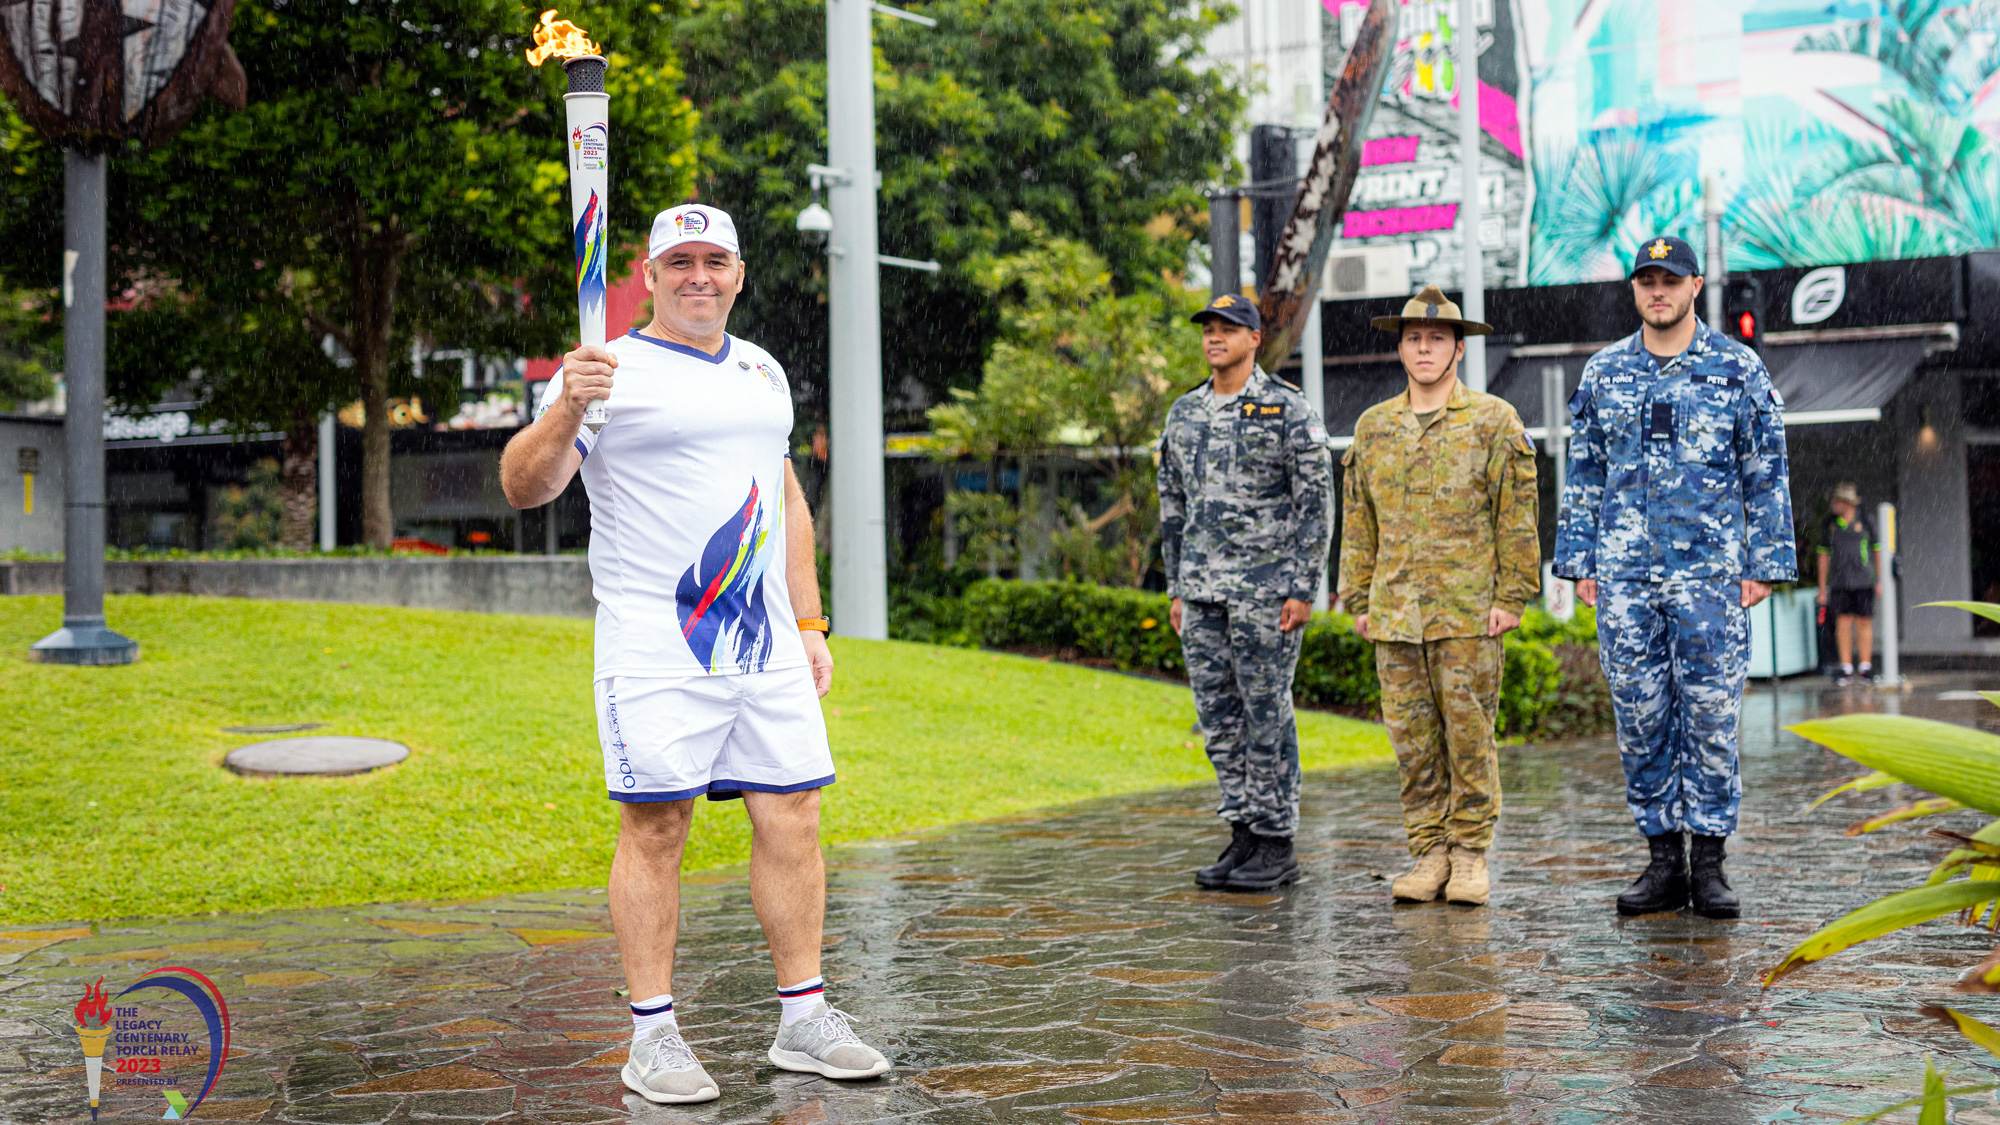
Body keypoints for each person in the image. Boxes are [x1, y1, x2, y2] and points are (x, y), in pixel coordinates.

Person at [499, 204, 889, 1106]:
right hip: (656, 645)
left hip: (765, 644)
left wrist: (809, 622)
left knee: (793, 812)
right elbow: (524, 485)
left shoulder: (762, 371)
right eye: (680, 262)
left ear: (740, 274)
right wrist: (569, 405)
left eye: (716, 260)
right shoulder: (605, 370)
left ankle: (804, 1019)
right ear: (648, 275)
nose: (699, 276)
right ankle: (652, 1035)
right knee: (657, 826)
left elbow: (784, 496)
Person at [1554, 235, 1796, 920]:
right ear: (1634, 289)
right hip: (1625, 577)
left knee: (1713, 715)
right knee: (1640, 716)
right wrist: (1579, 561)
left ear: (1694, 286)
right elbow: (1585, 473)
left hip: (1710, 577)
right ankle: (1663, 859)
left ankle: (1710, 862)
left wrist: (1766, 563)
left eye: (1670, 280)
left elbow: (1765, 470)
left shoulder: (1736, 368)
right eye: (1646, 280)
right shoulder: (1604, 373)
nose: (1658, 291)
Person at [1338, 285, 1540, 908]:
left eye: (1437, 339)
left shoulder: (1493, 421)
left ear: (1458, 349)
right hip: (1396, 613)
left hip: (1469, 611)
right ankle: (1429, 852)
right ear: (1400, 348)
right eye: (1414, 339)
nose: (1424, 349)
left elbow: (1516, 516)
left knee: (1469, 736)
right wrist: (1358, 599)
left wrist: (1513, 594)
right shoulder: (1374, 428)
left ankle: (1470, 853)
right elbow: (1359, 522)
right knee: (1413, 742)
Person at [1157, 293, 1332, 892]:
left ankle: (1276, 840)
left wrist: (1303, 587)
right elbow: (1172, 504)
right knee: (1218, 718)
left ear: (1254, 339)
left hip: (1266, 593)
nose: (1215, 337)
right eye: (1208, 328)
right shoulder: (1184, 413)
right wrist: (1176, 586)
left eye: (1228, 329)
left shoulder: (1287, 409)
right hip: (1201, 590)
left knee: (1266, 714)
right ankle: (1243, 831)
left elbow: (1316, 505)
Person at [1818, 483, 1880, 685]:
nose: (1833, 505)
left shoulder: (1865, 520)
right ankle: (1845, 666)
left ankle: (1865, 666)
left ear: (1847, 503)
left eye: (1837, 501)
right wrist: (1822, 587)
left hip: (1863, 581)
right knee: (1842, 623)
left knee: (1864, 622)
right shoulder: (1829, 524)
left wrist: (1879, 578)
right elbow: (1823, 555)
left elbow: (1877, 549)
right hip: (1840, 582)